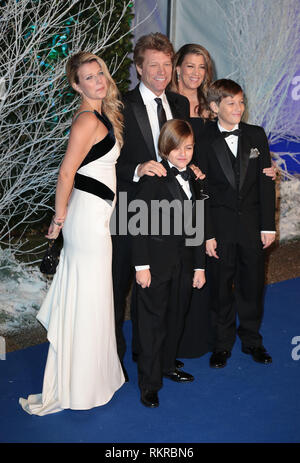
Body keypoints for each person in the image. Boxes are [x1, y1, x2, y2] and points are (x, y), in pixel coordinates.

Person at [19, 52, 125, 415]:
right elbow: (66, 173)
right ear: (76, 85)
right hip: (84, 222)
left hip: (95, 217)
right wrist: (58, 221)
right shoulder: (86, 121)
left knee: (92, 297)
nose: (98, 81)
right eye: (88, 77)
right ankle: (78, 386)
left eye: (100, 74)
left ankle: (88, 381)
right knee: (88, 297)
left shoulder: (99, 116)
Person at [113, 33, 203, 380]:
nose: (162, 72)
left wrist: (191, 167)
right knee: (121, 286)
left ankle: (159, 359)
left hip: (172, 212)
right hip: (132, 207)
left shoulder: (180, 104)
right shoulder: (120, 105)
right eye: (154, 65)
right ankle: (116, 363)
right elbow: (104, 161)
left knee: (166, 287)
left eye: (167, 64)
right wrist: (136, 169)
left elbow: (184, 149)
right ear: (139, 68)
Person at [198, 79, 276, 369]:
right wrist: (206, 234)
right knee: (220, 287)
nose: (238, 108)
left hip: (252, 225)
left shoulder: (256, 135)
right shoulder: (203, 140)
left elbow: (266, 183)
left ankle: (252, 340)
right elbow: (201, 192)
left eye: (241, 102)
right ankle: (221, 344)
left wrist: (268, 225)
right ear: (215, 107)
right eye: (231, 103)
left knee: (253, 285)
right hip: (219, 228)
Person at [132, 119, 206, 407]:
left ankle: (167, 365)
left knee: (176, 317)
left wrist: (199, 267)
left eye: (188, 147)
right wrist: (141, 267)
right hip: (156, 264)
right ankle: (149, 384)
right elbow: (136, 224)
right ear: (165, 148)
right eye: (177, 148)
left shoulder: (195, 180)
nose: (183, 154)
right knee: (153, 324)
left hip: (185, 265)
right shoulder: (154, 180)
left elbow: (197, 226)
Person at [169, 43, 215, 358]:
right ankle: (175, 341)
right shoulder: (168, 104)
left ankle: (201, 337)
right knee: (181, 265)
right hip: (178, 194)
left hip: (210, 190)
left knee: (207, 261)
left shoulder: (211, 104)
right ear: (178, 68)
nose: (195, 73)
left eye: (201, 67)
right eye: (190, 66)